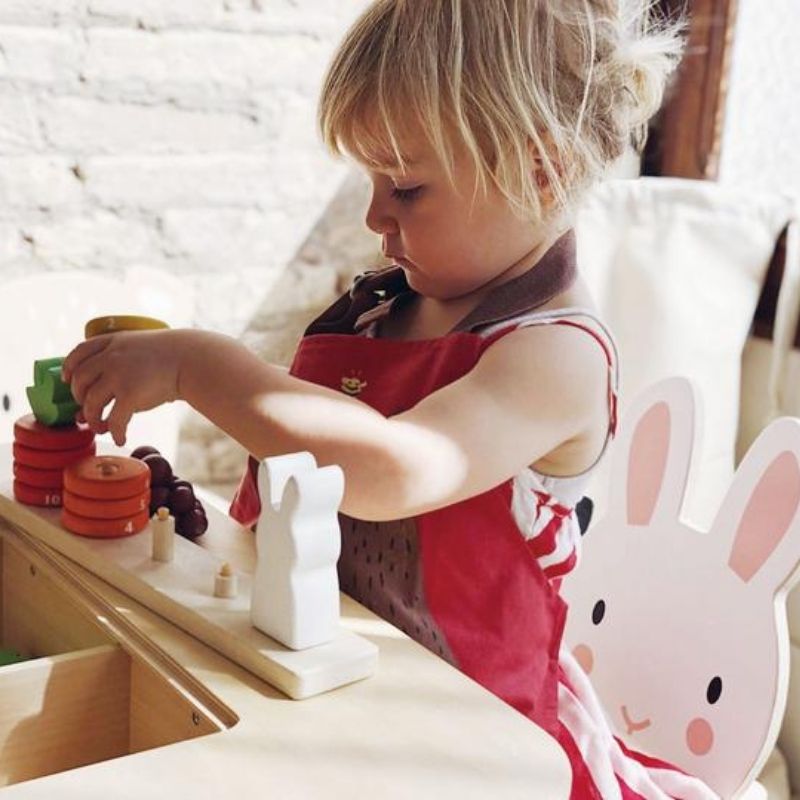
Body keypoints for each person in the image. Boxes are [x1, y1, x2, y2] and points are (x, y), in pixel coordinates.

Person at [62, 1, 714, 796]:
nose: (375, 218)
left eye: (405, 188)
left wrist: (202, 367)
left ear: (539, 171)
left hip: (467, 746)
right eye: (371, 180)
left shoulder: (556, 356)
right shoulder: (381, 308)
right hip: (320, 689)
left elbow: (393, 471)